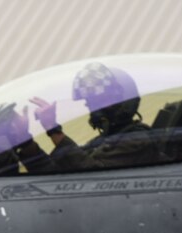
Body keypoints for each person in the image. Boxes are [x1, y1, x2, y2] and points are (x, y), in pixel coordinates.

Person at [15, 62, 160, 172]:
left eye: (99, 100)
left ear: (123, 101)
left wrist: (53, 129)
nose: (91, 107)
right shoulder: (103, 141)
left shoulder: (137, 140)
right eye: (90, 101)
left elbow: (91, 175)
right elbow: (56, 175)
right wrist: (26, 142)